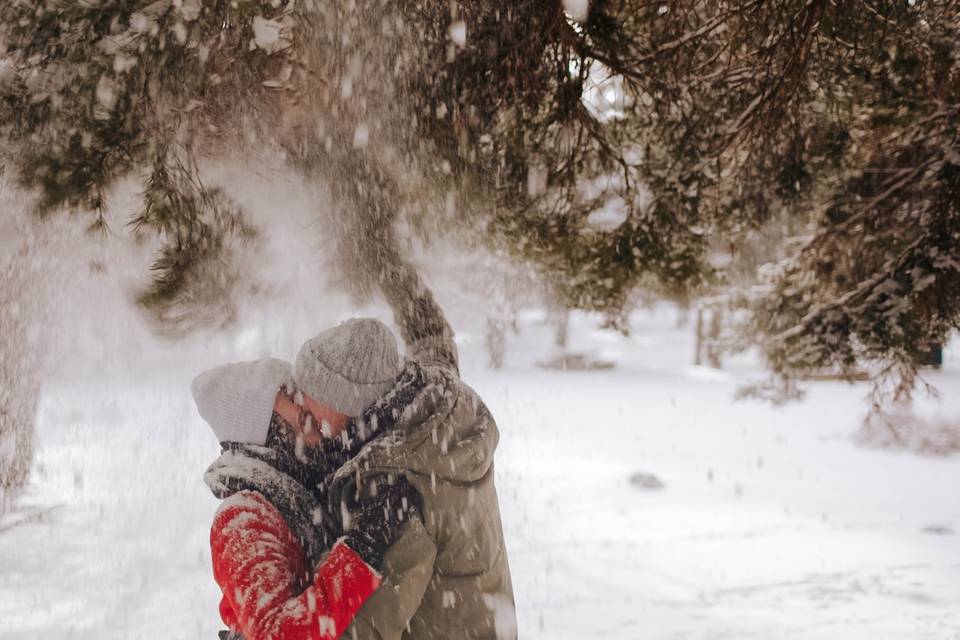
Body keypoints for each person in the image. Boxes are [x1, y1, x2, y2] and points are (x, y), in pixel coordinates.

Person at [192, 351, 429, 640]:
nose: (308, 403)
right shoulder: (242, 518)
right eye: (291, 399)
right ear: (264, 429)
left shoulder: (299, 493)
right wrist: (361, 548)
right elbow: (278, 635)